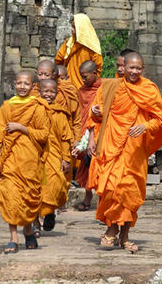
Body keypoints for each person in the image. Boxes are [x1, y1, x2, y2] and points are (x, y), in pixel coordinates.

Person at [85, 52, 162, 253]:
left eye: (138, 68)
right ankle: (114, 230)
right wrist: (95, 118)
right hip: (111, 144)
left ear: (143, 69)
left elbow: (159, 120)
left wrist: (145, 126)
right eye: (131, 67)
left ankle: (121, 235)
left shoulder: (148, 89)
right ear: (123, 67)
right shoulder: (111, 86)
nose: (134, 71)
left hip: (134, 148)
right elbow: (97, 115)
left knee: (130, 191)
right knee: (112, 189)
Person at [0, 70, 51, 254]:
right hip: (9, 160)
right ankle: (13, 237)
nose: (22, 87)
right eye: (19, 83)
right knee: (10, 197)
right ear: (14, 84)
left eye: (26, 84)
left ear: (33, 87)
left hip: (30, 161)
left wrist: (22, 128)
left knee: (27, 198)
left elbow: (43, 135)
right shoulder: (7, 107)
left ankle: (29, 229)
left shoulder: (38, 107)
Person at [35, 79, 73, 233]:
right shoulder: (32, 108)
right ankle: (35, 222)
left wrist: (66, 158)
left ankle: (49, 211)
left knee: (56, 183)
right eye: (46, 91)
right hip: (34, 154)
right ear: (39, 91)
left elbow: (65, 137)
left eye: (52, 92)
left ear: (57, 93)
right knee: (34, 188)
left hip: (54, 154)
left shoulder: (60, 112)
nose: (49, 95)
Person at [71, 60, 101, 211]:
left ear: (94, 74)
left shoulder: (103, 88)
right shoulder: (82, 90)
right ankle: (88, 196)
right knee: (87, 165)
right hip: (84, 131)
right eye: (81, 77)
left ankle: (102, 199)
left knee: (99, 165)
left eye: (85, 77)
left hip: (99, 131)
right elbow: (79, 112)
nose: (83, 80)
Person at [55, 13, 103, 89]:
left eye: (74, 27)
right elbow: (59, 60)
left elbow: (97, 69)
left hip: (86, 86)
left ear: (82, 28)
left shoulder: (93, 46)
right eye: (72, 26)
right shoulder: (69, 43)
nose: (72, 29)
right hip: (67, 85)